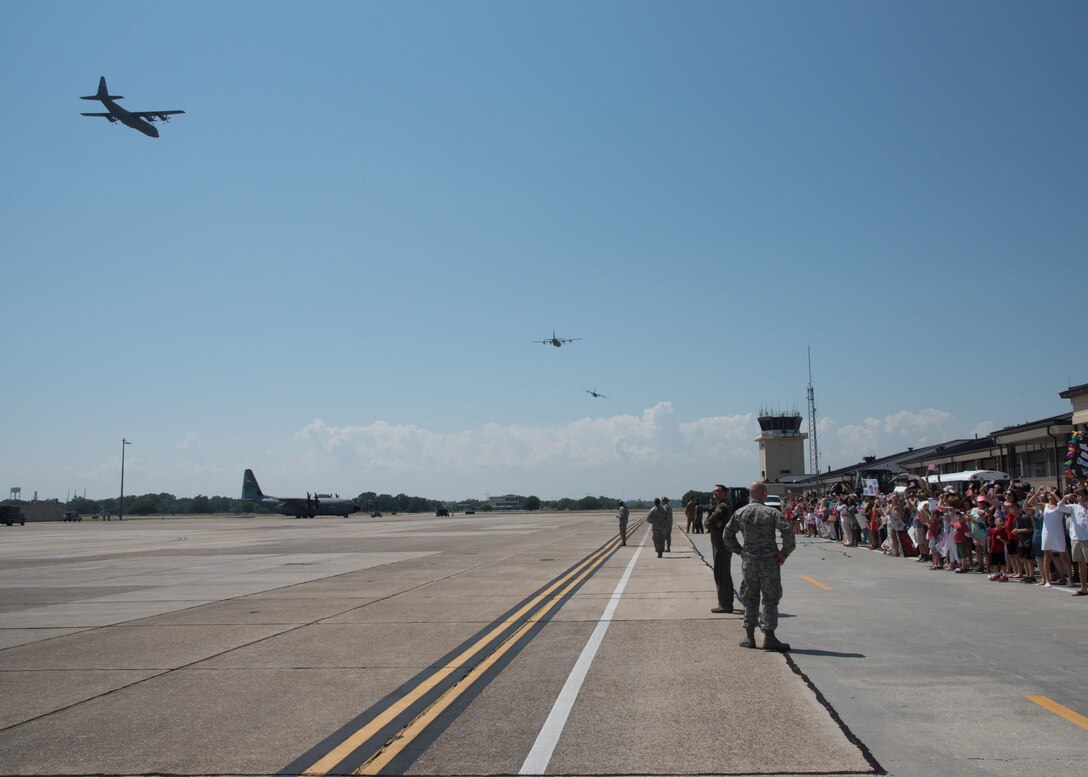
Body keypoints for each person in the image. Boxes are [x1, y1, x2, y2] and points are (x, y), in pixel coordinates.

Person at [723, 481, 796, 651]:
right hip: (768, 561)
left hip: (749, 561)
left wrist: (740, 551)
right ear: (764, 495)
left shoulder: (739, 513)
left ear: (749, 495)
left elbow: (727, 536)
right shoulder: (771, 512)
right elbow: (788, 533)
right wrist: (784, 553)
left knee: (750, 597)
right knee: (770, 598)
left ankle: (749, 636)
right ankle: (769, 636)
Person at [706, 485, 735, 613]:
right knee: (723, 572)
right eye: (714, 490)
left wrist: (711, 524)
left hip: (721, 544)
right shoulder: (718, 506)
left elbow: (708, 523)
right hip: (720, 542)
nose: (715, 492)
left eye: (718, 491)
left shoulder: (722, 507)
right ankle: (726, 602)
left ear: (724, 493)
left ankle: (725, 604)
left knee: (721, 572)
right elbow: (710, 523)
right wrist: (712, 524)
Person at [1057, 487, 1088, 596]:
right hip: (1076, 538)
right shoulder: (1073, 507)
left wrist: (1083, 503)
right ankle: (1083, 587)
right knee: (1081, 564)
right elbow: (1059, 508)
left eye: (1081, 494)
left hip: (1086, 539)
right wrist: (1065, 497)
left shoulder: (1085, 506)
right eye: (1077, 494)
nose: (1078, 496)